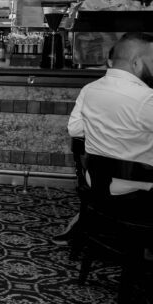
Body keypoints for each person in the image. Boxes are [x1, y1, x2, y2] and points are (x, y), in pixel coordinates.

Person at [59, 33, 153, 241]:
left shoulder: (90, 89)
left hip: (97, 186)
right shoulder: (147, 99)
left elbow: (75, 131)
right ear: (137, 63)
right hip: (140, 193)